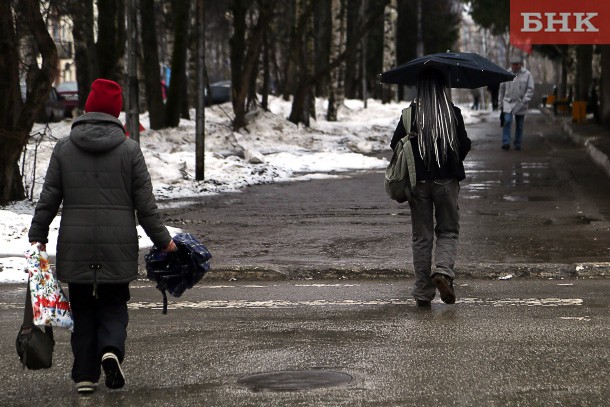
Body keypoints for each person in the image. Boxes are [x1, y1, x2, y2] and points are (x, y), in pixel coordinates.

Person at [28, 78, 177, 394]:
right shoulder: (129, 150)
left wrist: (37, 234)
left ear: (88, 108)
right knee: (113, 304)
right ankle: (110, 348)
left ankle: (84, 374)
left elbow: (49, 197)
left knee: (82, 309)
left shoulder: (64, 148)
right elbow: (145, 206)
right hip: (117, 246)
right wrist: (164, 240)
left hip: (76, 246)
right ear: (116, 112)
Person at [390, 69, 471, 308]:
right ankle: (443, 273)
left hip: (418, 183)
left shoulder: (410, 115)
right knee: (447, 230)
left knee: (422, 237)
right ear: (441, 88)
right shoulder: (452, 113)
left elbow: (396, 145)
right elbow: (464, 145)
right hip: (447, 182)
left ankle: (423, 293)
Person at [499, 56, 534, 150]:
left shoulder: (527, 75)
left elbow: (530, 89)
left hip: (520, 103)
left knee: (520, 125)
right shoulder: (506, 73)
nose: (514, 66)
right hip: (508, 102)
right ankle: (506, 142)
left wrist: (525, 100)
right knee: (507, 121)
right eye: (513, 64)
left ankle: (517, 143)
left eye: (516, 64)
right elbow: (501, 90)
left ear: (520, 65)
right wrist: (500, 104)